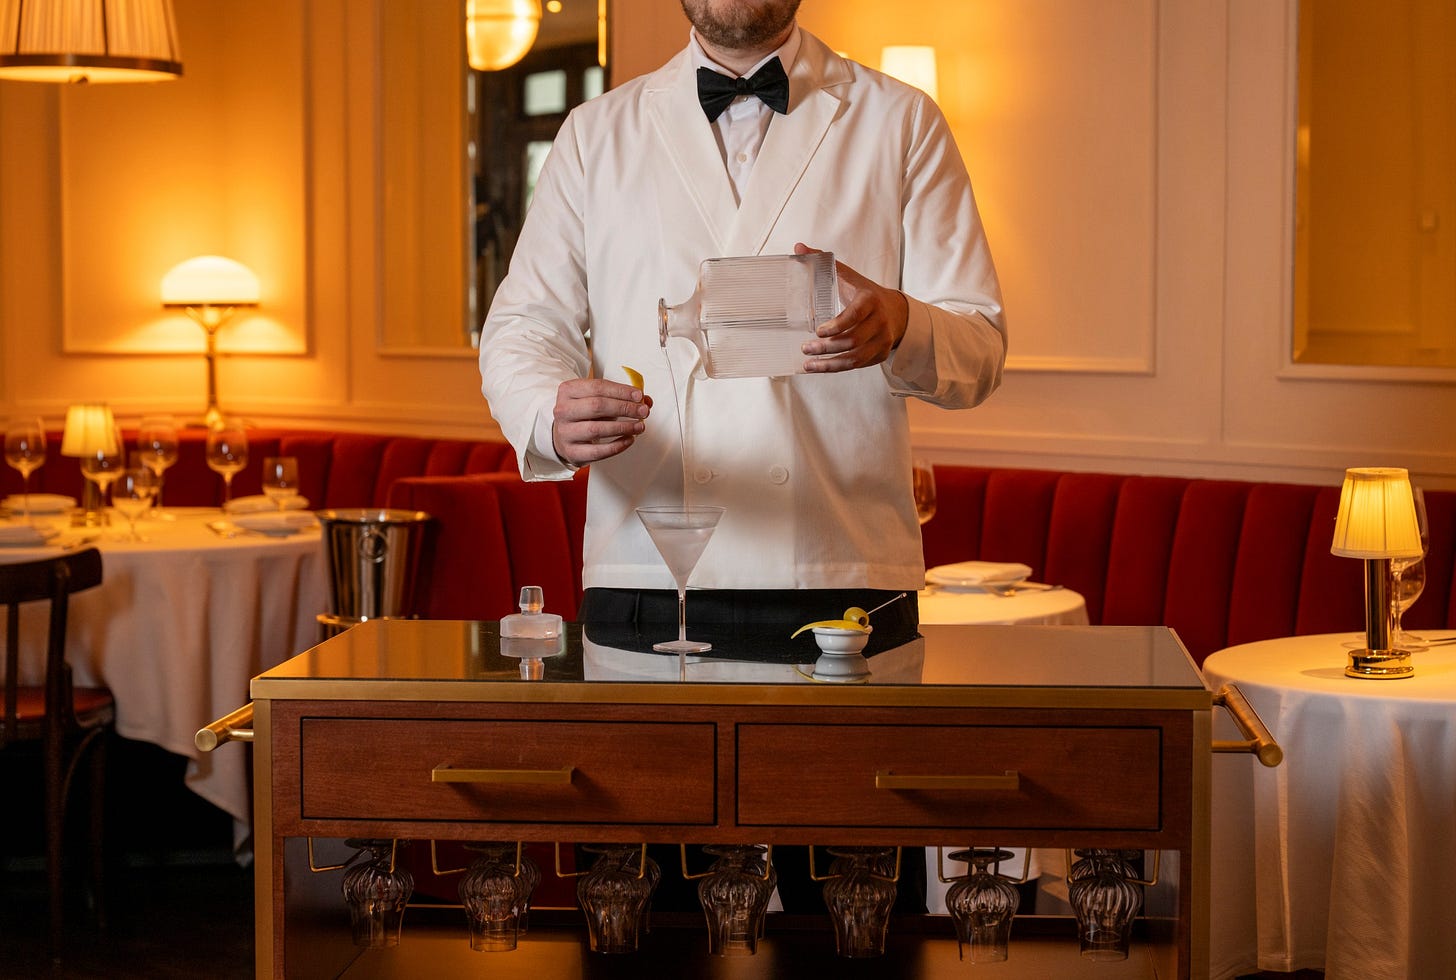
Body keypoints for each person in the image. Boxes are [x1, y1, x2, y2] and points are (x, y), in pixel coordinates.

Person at [478, 0, 1006, 914]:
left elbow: (981, 346)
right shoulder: (596, 133)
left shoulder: (899, 120)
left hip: (840, 575)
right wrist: (545, 411)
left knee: (851, 920)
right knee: (642, 914)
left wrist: (905, 324)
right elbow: (524, 326)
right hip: (647, 574)